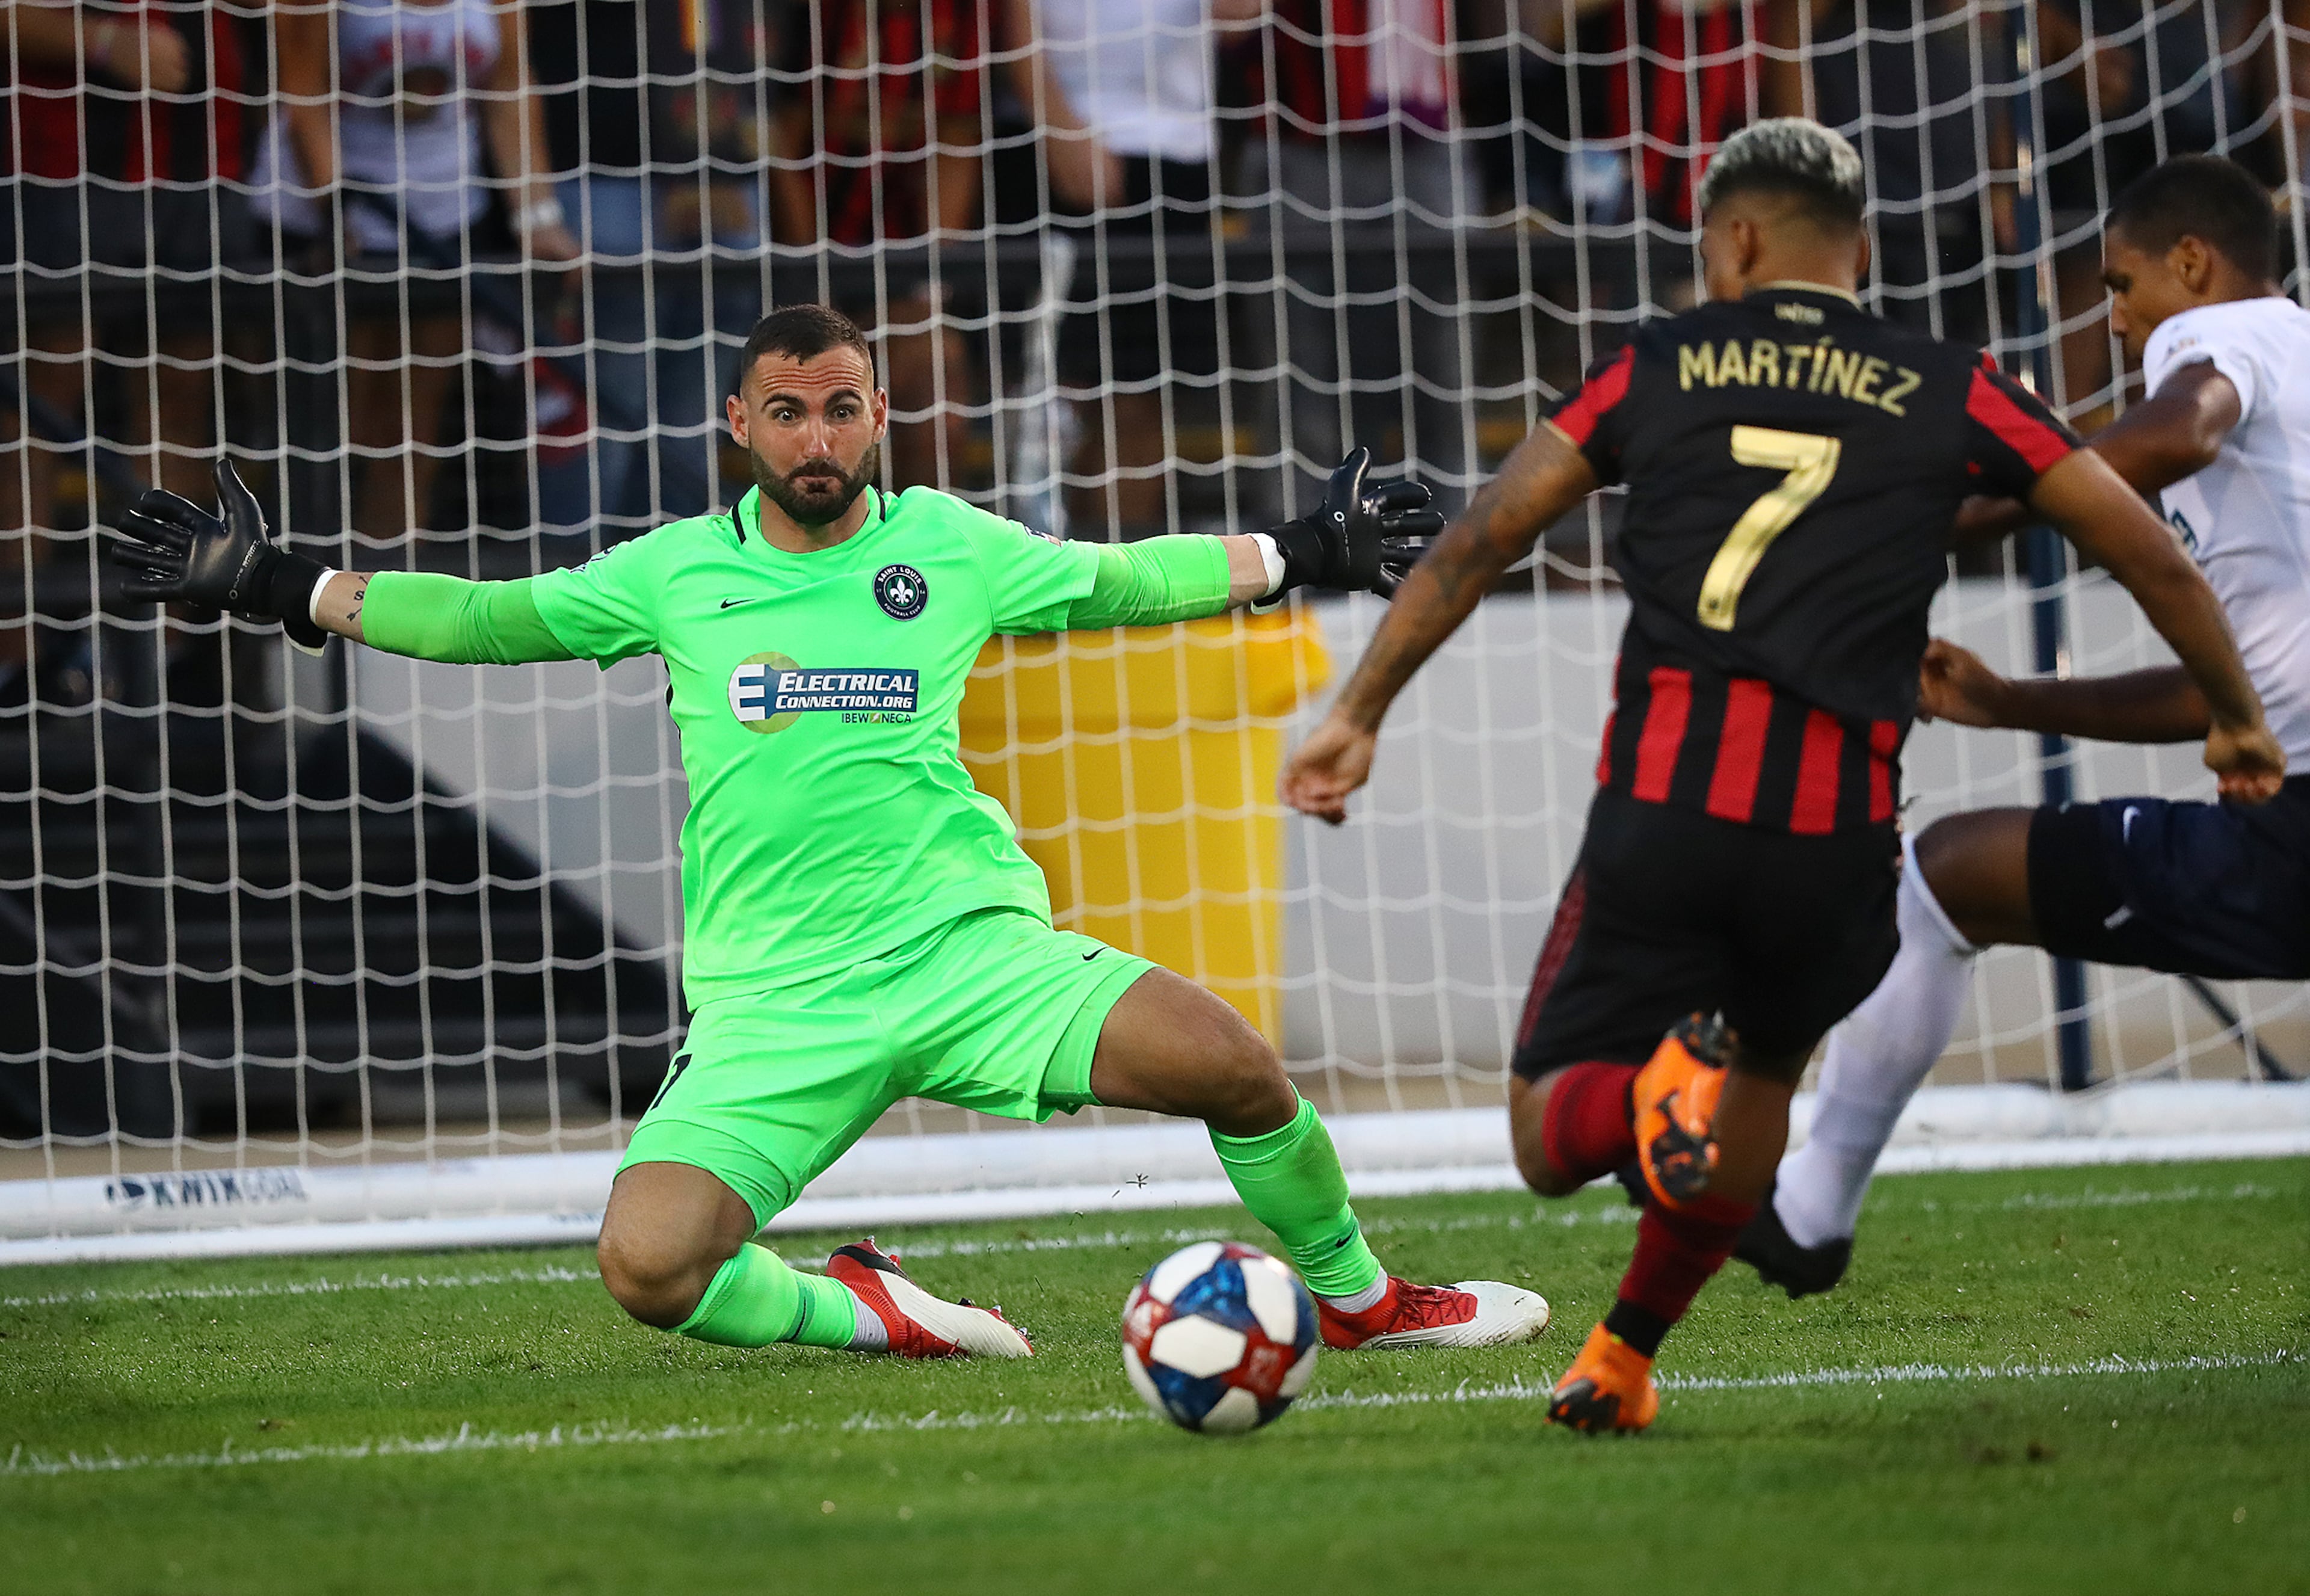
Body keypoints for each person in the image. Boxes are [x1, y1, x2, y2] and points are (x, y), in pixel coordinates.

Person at [106, 302, 1550, 1361]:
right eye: (787, 411)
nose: (817, 436)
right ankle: (862, 1308)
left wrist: (1299, 552)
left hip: (971, 956)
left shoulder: (947, 546)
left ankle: (1358, 1300)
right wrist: (288, 585)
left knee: (1236, 1067)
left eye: (842, 405)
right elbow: (493, 619)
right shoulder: (676, 572)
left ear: (877, 416)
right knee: (648, 1268)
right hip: (774, 1004)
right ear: (739, 423)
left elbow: (1116, 578)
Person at [1278, 120, 2280, 1432]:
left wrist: (1358, 709)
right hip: (1838, 844)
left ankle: (1647, 1102)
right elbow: (2149, 549)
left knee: (1546, 1139)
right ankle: (1626, 1355)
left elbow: (1483, 540)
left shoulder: (1655, 366)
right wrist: (2238, 720)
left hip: (1668, 811)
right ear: (1858, 249)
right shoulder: (1954, 383)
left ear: (1738, 240)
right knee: (1759, 1078)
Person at [1744, 155, 2310, 1296]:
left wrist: (1967, 515)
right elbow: (2233, 695)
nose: (2119, 315)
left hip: (2292, 836)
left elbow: (2183, 429)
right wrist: (2011, 702)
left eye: (2120, 283)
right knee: (1959, 871)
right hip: (2283, 804)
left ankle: (1809, 1210)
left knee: (1944, 877)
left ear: (2192, 262)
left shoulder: (2226, 343)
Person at [250, 0, 579, 547]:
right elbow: (304, 93)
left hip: (445, 216)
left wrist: (538, 216)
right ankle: (293, 601)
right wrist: (337, 213)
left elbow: (509, 82)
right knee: (330, 430)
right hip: (326, 218)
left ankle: (378, 613)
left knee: (412, 432)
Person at [1, 0, 248, 705]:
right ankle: (16, 661)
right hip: (64, 163)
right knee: (38, 408)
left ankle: (161, 661)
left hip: (206, 157)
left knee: (182, 405)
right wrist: (103, 41)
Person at [1000, 0, 1258, 539]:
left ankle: (1119, 591)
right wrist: (1057, 128)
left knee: (1144, 396)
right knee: (1049, 397)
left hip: (1176, 152)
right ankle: (1036, 578)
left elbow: (1242, 17)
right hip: (1053, 145)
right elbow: (1008, 21)